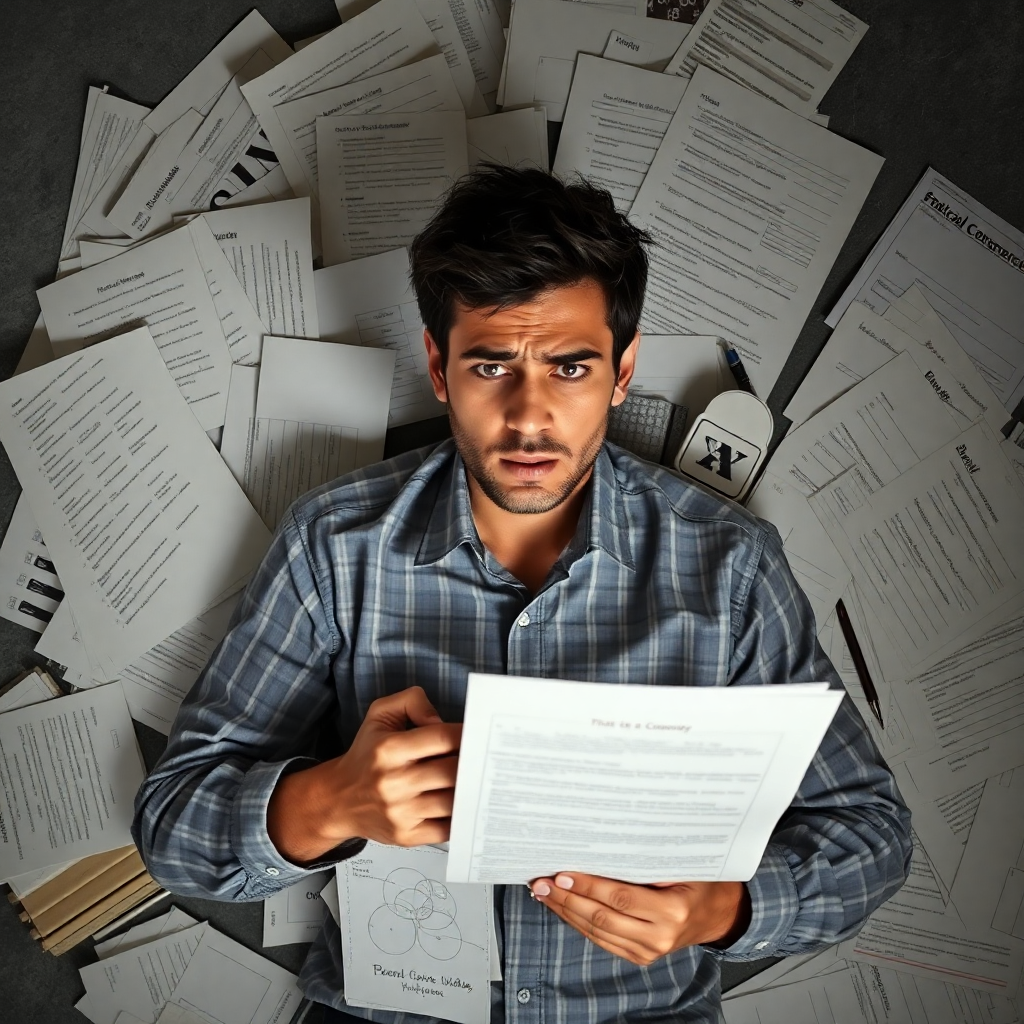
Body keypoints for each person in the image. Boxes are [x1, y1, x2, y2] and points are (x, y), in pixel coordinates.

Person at [132, 165, 911, 1023]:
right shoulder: (333, 543)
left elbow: (871, 833)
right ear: (439, 365)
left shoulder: (731, 568)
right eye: (492, 365)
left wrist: (722, 909)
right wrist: (331, 801)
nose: (529, 417)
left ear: (622, 370)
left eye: (571, 368)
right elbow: (172, 827)